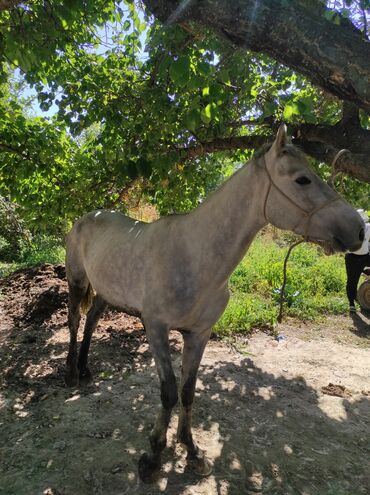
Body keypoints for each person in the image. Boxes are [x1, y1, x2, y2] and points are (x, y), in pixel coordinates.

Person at [344, 209, 370, 312]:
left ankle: (366, 270)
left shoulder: (368, 227)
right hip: (352, 258)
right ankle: (351, 303)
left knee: (352, 281)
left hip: (365, 256)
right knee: (352, 281)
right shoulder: (349, 229)